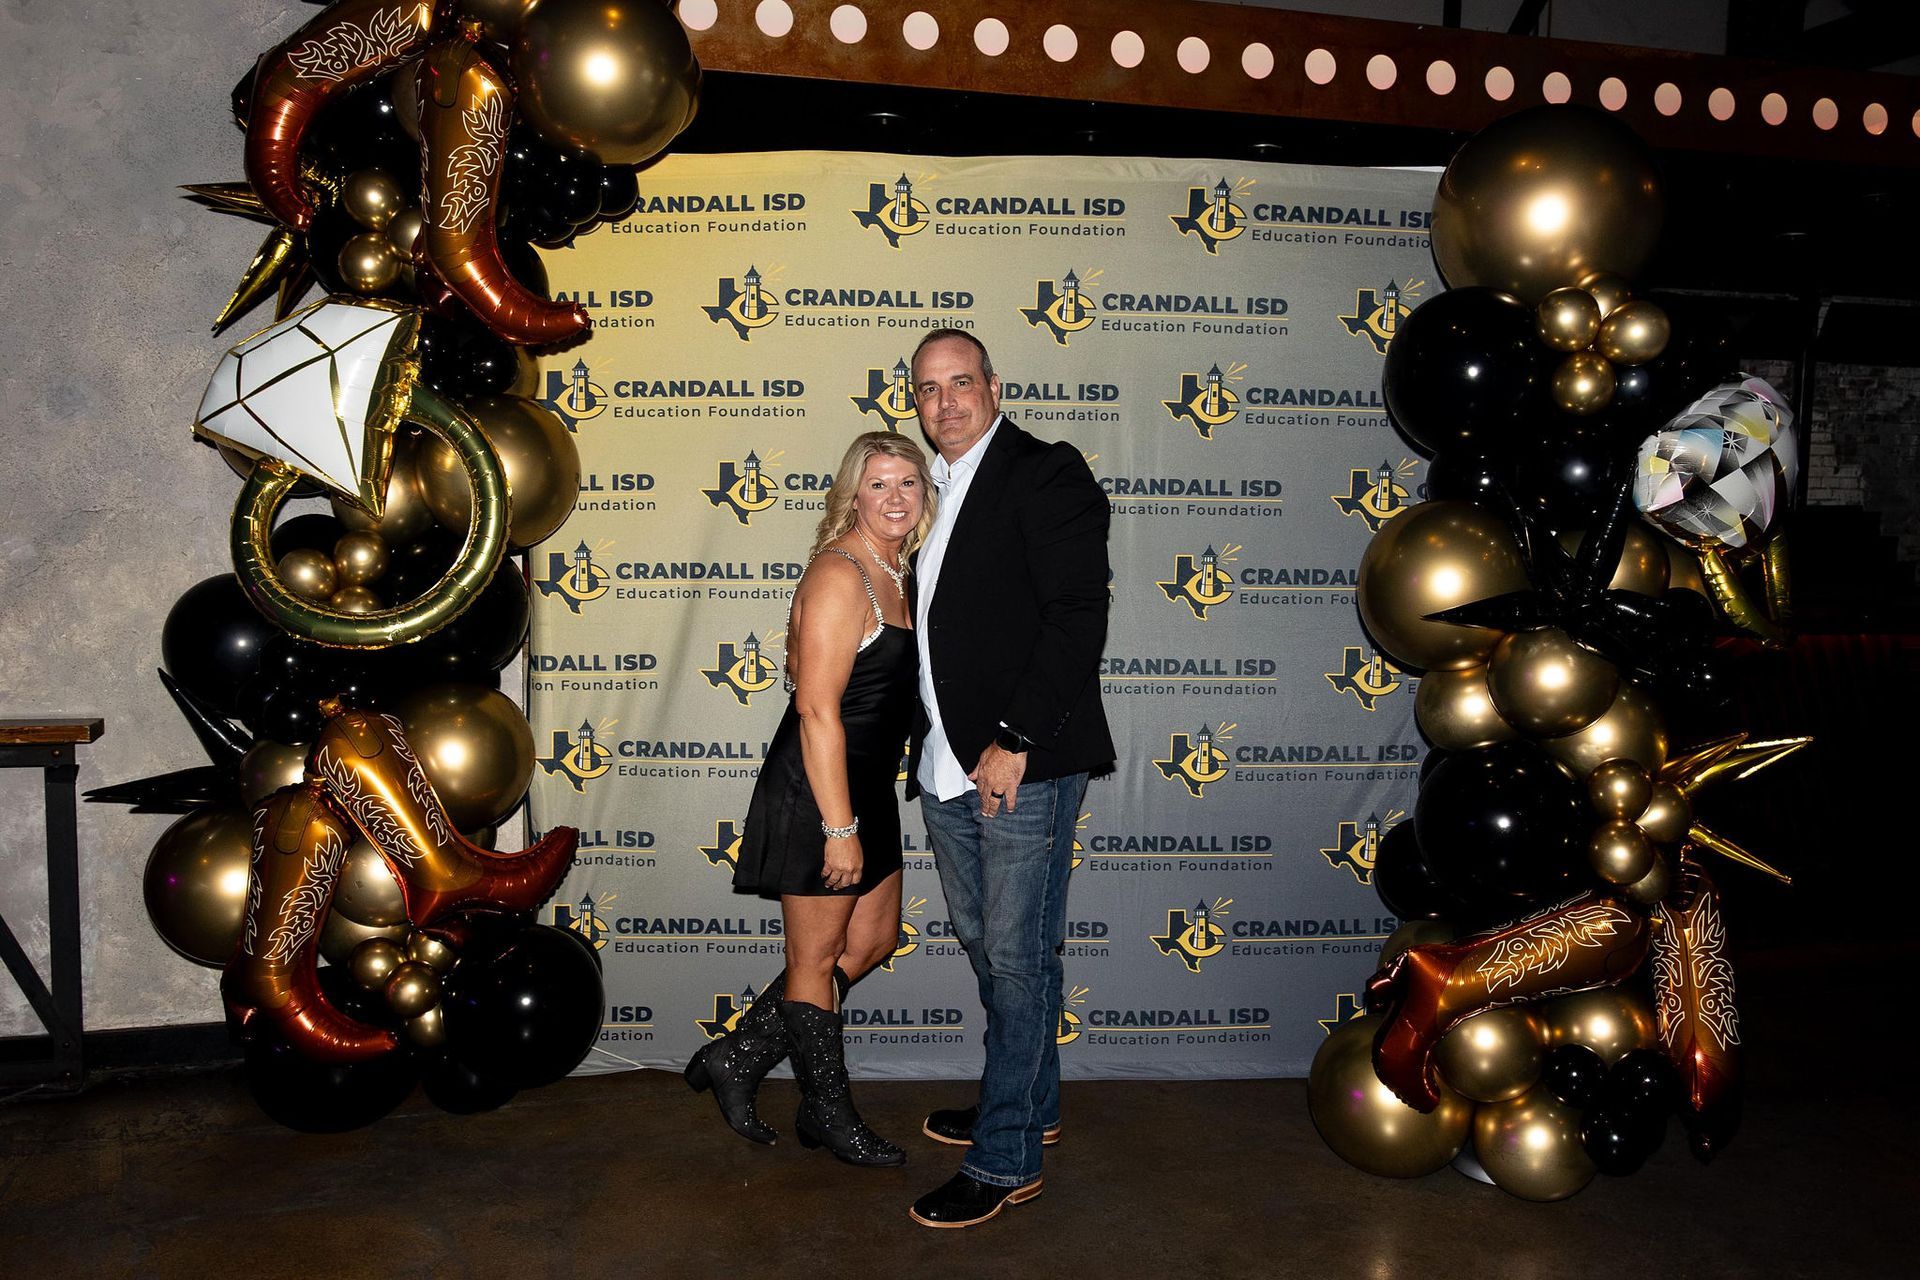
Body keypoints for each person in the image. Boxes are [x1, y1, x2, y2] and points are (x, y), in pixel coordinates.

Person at [903, 330, 1113, 1228]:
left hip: (1016, 763)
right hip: (947, 764)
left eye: (960, 384)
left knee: (1020, 962)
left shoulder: (1044, 471)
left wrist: (1016, 737)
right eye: (926, 389)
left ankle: (1005, 1157)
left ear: (995, 386)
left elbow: (1077, 614)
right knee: (996, 950)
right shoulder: (928, 490)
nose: (944, 402)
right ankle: (1028, 1101)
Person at [683, 431, 934, 1168]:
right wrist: (839, 827)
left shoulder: (902, 570)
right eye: (878, 484)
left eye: (907, 484)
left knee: (872, 942)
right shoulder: (839, 575)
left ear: (925, 493)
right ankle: (830, 1114)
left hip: (869, 788)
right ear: (852, 495)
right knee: (814, 959)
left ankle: (740, 1055)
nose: (894, 498)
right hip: (821, 792)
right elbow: (818, 711)